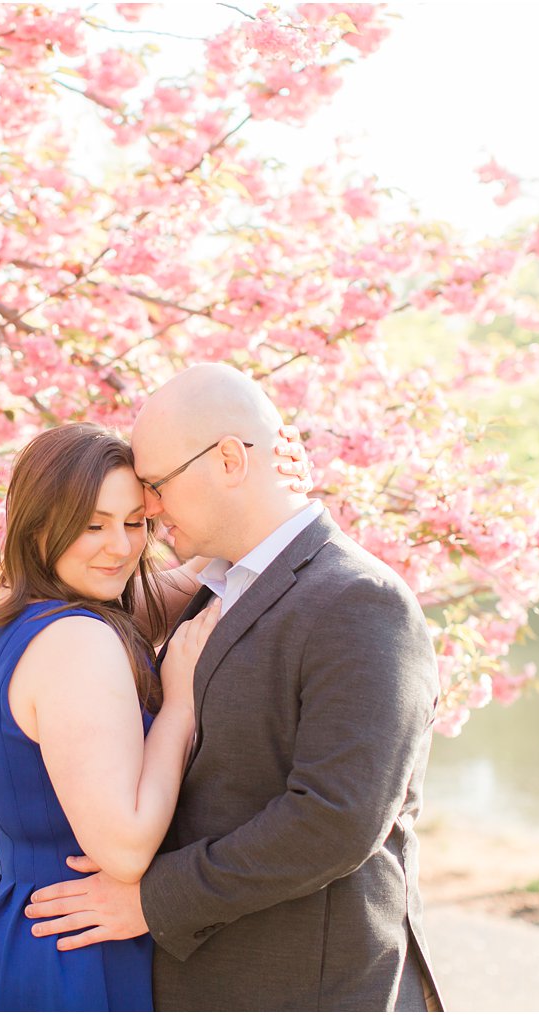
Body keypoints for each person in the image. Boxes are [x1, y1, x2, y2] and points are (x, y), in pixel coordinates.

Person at [24, 364, 444, 1011]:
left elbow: (335, 817)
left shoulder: (361, 600)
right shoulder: (212, 589)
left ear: (227, 459)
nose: (150, 509)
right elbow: (53, 597)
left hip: (310, 990)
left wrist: (152, 900)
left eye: (157, 485)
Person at [0, 421, 309, 1011]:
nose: (120, 547)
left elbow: (181, 583)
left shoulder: (16, 612)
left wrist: (264, 498)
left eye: (135, 523)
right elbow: (126, 850)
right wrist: (180, 707)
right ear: (38, 529)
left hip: (17, 927)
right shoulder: (77, 642)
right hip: (76, 952)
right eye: (92, 526)